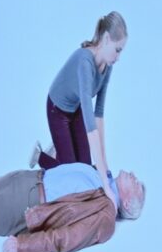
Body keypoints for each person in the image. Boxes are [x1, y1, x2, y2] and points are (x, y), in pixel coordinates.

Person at [33, 11, 126, 195]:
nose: (118, 57)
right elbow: (91, 127)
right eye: (118, 50)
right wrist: (105, 183)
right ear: (107, 39)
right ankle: (40, 156)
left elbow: (98, 114)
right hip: (57, 110)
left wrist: (105, 167)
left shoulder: (107, 66)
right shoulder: (85, 62)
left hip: (75, 110)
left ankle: (59, 150)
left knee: (85, 169)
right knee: (73, 176)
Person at [0, 161, 147, 252]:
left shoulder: (106, 214)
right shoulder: (104, 177)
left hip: (24, 202)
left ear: (127, 204)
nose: (134, 175)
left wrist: (23, 246)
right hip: (28, 178)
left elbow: (66, 237)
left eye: (136, 184)